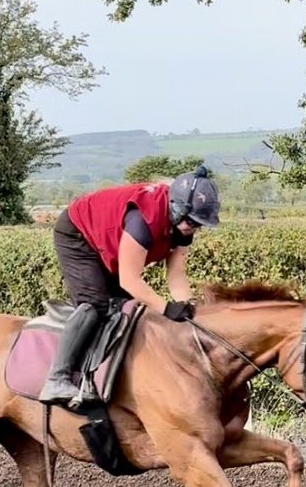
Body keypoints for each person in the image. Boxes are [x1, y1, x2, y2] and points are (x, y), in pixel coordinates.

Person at [38, 165, 220, 406]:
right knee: (95, 304)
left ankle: (102, 379)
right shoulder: (143, 220)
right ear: (176, 209)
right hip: (78, 233)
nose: (195, 227)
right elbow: (129, 279)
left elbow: (176, 276)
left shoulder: (183, 227)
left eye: (200, 223)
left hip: (109, 241)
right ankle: (56, 378)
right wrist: (166, 308)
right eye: (192, 221)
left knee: (127, 308)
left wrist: (189, 308)